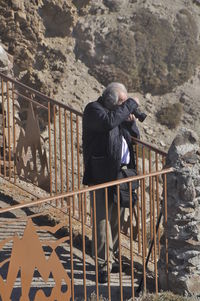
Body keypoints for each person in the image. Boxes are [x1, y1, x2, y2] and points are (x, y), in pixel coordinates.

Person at [82, 82, 140, 283]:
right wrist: (130, 104)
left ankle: (113, 257)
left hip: (121, 174)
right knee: (102, 220)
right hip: (101, 174)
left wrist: (131, 122)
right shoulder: (94, 110)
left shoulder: (118, 114)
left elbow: (134, 138)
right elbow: (108, 123)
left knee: (116, 218)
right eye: (122, 102)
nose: (124, 106)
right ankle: (102, 265)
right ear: (111, 100)